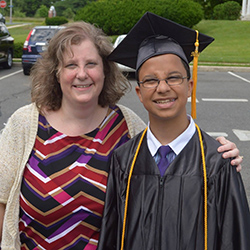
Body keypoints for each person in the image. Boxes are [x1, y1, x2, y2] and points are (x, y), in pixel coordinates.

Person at [0, 21, 243, 250]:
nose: (81, 74)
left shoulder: (126, 128)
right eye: (71, 65)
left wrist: (218, 154)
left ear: (105, 71)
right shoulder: (25, 125)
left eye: (91, 64)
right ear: (56, 72)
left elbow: (169, 143)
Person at [97, 12, 250, 250]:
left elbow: (235, 240)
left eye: (173, 78)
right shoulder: (123, 161)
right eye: (151, 80)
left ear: (190, 86)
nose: (163, 88)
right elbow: (111, 237)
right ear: (139, 93)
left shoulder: (217, 164)